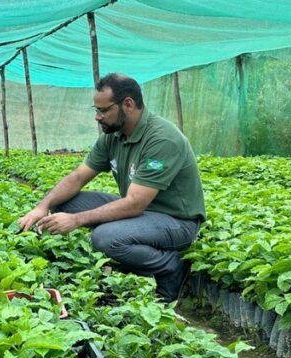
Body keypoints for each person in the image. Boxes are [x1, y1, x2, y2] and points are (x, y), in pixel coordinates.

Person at [18, 73, 205, 302]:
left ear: (128, 104)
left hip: (176, 221)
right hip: (143, 213)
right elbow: (78, 177)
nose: (98, 117)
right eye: (96, 110)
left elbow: (135, 203)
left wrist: (76, 221)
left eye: (104, 110)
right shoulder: (113, 135)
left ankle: (170, 266)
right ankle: (128, 257)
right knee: (64, 203)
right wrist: (43, 206)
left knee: (105, 238)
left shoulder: (162, 139)